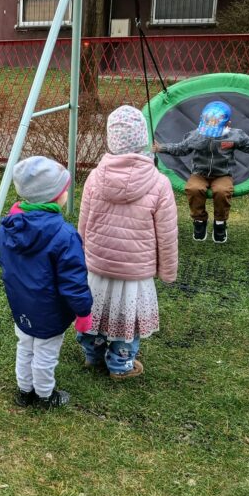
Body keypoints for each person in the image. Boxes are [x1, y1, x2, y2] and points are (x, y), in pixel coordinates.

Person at [77, 106, 178, 380]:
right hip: (135, 271)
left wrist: (79, 257)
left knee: (95, 310)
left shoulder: (95, 177)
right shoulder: (159, 183)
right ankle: (120, 365)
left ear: (111, 139)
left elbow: (83, 223)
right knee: (127, 318)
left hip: (97, 266)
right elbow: (167, 234)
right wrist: (168, 271)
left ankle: (92, 354)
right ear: (143, 139)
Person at [0, 156, 92, 408]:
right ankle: (44, 395)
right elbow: (74, 282)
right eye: (64, 189)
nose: (67, 193)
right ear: (54, 197)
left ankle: (24, 390)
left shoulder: (8, 226)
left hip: (21, 304)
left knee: (25, 345)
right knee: (45, 353)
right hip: (51, 310)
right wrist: (83, 312)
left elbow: (5, 263)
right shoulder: (65, 235)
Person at [153, 100, 249, 243]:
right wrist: (161, 148)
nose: (211, 134)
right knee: (193, 189)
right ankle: (199, 220)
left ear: (228, 124)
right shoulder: (196, 135)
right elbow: (181, 148)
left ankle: (220, 223)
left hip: (223, 174)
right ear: (202, 122)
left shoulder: (235, 135)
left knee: (222, 191)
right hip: (199, 173)